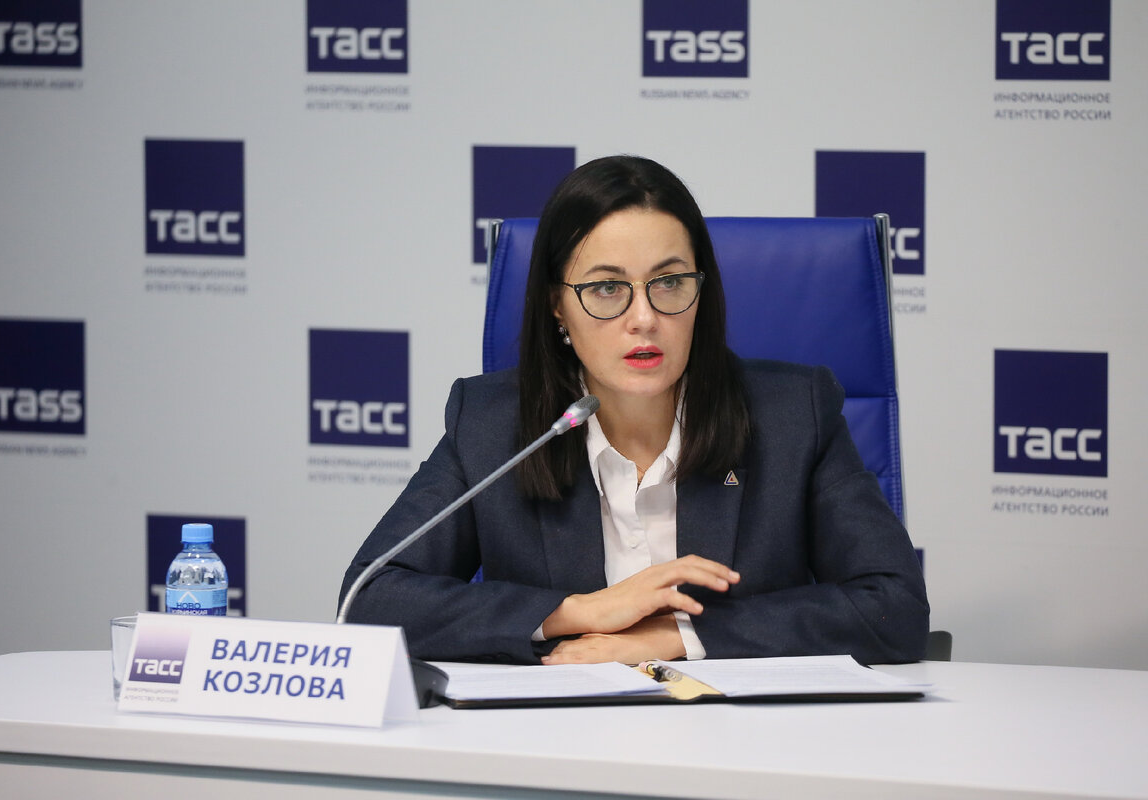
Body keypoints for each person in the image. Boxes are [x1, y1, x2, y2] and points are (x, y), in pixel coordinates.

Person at [340, 155, 929, 666]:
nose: (643, 318)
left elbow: (894, 606)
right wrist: (578, 612)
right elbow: (369, 599)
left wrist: (676, 637)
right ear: (556, 306)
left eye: (669, 282)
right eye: (606, 288)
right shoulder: (492, 427)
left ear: (701, 292)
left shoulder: (793, 416)